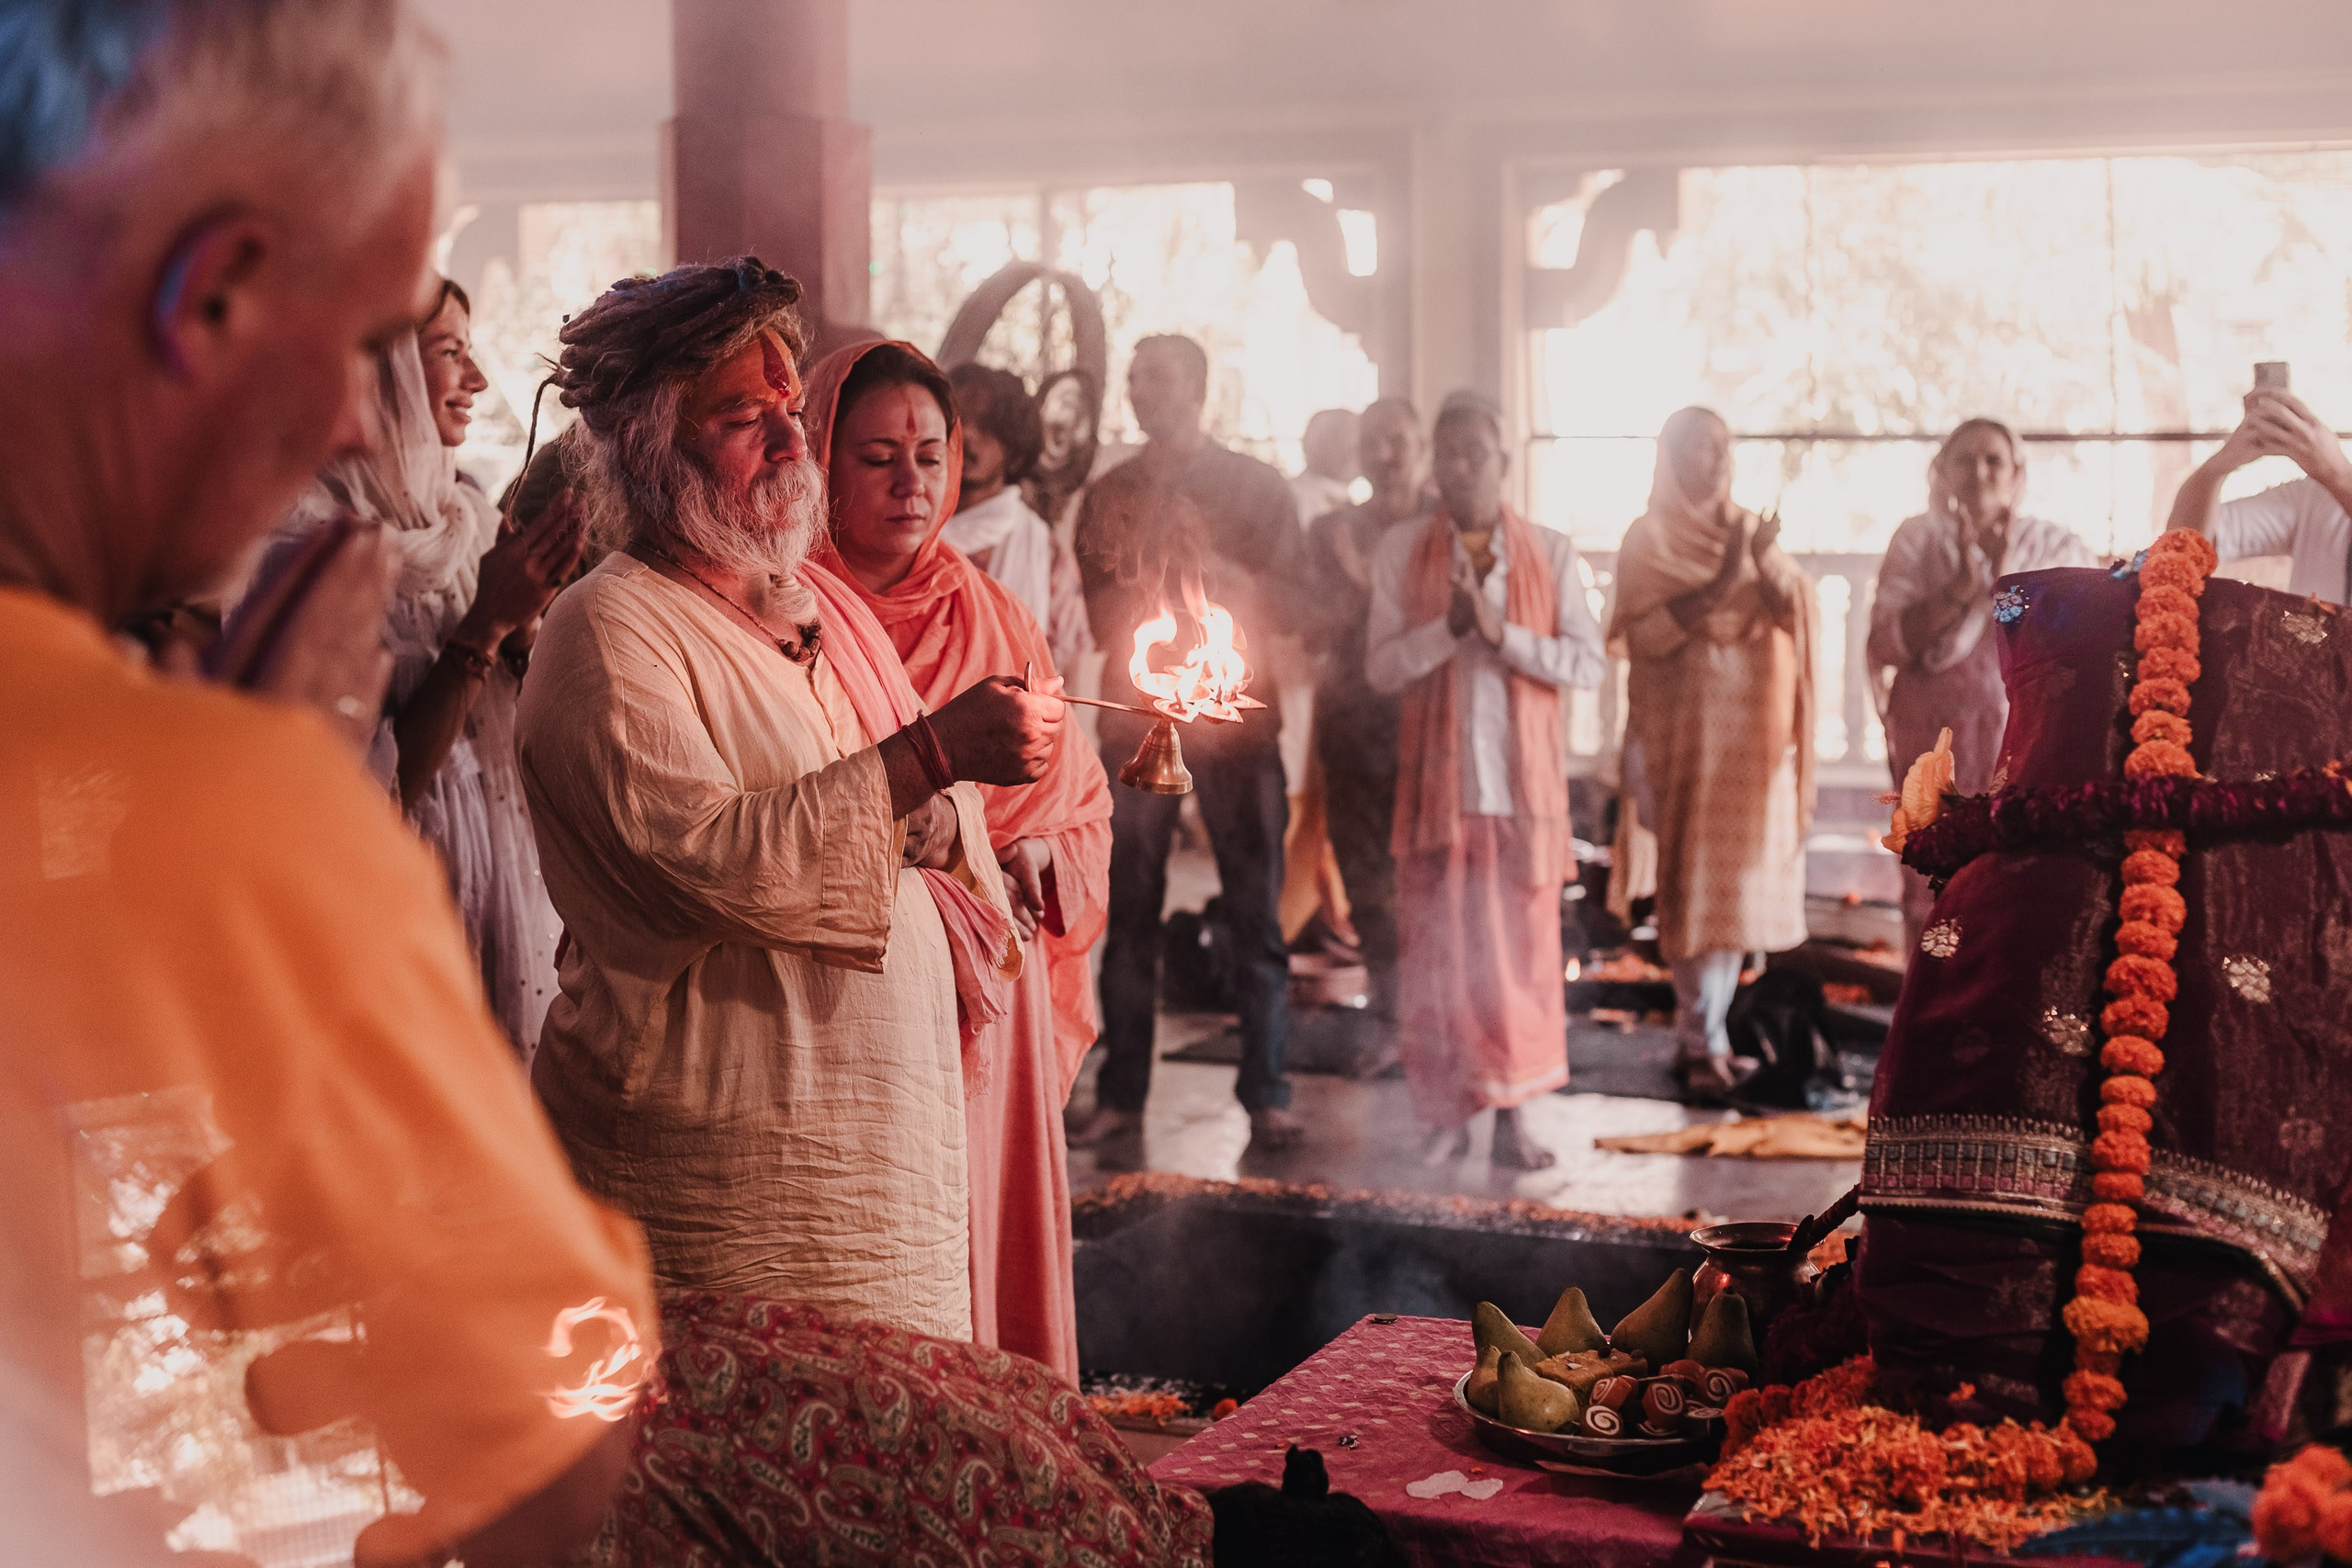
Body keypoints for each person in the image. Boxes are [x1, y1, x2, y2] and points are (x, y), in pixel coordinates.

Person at [0, 5, 659, 1565]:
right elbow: (539, 1454)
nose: (370, 423)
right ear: (218, 290)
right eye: (374, 345)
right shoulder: (201, 805)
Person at [517, 259, 1063, 1342]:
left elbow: (911, 822)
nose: (785, 444)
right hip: (723, 1191)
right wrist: (931, 756)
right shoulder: (611, 628)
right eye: (740, 419)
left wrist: (938, 804)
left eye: (791, 413)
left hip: (875, 1173)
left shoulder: (807, 608)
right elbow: (703, 853)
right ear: (647, 442)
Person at [807, 340, 1114, 1382]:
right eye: (877, 456)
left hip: (991, 993)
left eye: (931, 457)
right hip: (849, 987)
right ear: (816, 460)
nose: (911, 485)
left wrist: (1026, 850)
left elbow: (1075, 807)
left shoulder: (993, 614)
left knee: (984, 1233)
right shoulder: (774, 614)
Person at [275, 277, 583, 1057]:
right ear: (381, 374)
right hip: (392, 906)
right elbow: (364, 796)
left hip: (502, 883)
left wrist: (527, 624)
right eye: (450, 353)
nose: (477, 379)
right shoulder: (301, 553)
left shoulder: (470, 521)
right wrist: (483, 625)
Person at [1071, 333, 1305, 1153]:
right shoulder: (1112, 492)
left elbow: (1293, 603)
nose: (1140, 391)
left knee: (1255, 911)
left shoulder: (1256, 487)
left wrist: (1219, 581)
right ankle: (1122, 1096)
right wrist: (1148, 584)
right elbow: (1099, 618)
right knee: (1130, 909)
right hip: (1140, 718)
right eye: (1133, 380)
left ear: (1199, 387)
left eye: (1157, 378)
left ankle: (1267, 1091)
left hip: (1238, 719)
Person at [1365, 392, 1606, 1167]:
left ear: (1505, 464)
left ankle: (1512, 1118)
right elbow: (1380, 667)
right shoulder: (1402, 550)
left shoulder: (1552, 551)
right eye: (1450, 453)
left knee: (1518, 965)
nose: (1462, 467)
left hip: (1520, 796)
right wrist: (1449, 632)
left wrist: (1503, 637)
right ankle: (1446, 1114)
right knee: (1439, 961)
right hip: (1439, 797)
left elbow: (1586, 661)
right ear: (1434, 464)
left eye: (1478, 453)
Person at [1610, 407, 1817, 1101]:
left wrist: (1762, 564)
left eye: (1722, 447)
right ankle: (1701, 1043)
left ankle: (1711, 1039)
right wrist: (1735, 567)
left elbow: (1793, 610)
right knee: (1691, 889)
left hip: (1745, 745)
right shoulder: (1650, 536)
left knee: (1731, 896)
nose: (1715, 460)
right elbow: (1659, 630)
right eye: (1698, 449)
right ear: (1669, 459)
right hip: (1680, 740)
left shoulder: (1748, 529)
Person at [1867, 419, 2091, 949]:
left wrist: (2007, 576)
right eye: (1964, 460)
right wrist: (1964, 589)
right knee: (1933, 879)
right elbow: (1886, 644)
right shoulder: (1917, 539)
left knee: (2019, 877)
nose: (1980, 472)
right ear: (1941, 472)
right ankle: (1928, 1020)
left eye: (1993, 460)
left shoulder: (2054, 542)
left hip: (2024, 735)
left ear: (2017, 473)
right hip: (1932, 737)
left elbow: (2078, 645)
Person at [1295, 397, 1430, 1034]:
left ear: (1421, 446)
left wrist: (1370, 588)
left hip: (1434, 725)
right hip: (1353, 723)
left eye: (1398, 440)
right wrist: (1358, 591)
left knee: (1429, 877)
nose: (1385, 454)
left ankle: (1438, 1026)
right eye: (1373, 441)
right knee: (1367, 876)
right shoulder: (1332, 531)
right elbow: (1310, 632)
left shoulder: (1448, 527)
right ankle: (1392, 1015)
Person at [944, 361, 1093, 675]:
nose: (966, 434)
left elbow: (1067, 666)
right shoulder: (903, 529)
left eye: (986, 427)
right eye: (956, 420)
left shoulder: (1047, 554)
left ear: (1015, 450)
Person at [2167, 382, 2352, 603]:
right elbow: (2184, 547)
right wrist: (2217, 468)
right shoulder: (2315, 496)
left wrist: (2337, 474)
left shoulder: (2334, 479)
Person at [1292, 406, 1363, 529]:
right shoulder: (1295, 497)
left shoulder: (1348, 501)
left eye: (1356, 443)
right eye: (1340, 440)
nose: (1350, 451)